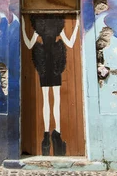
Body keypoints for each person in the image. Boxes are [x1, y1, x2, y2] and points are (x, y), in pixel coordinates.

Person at [22, 14, 79, 156]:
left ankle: (46, 135)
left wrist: (23, 25)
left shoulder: (38, 30)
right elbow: (71, 43)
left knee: (46, 101)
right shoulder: (58, 30)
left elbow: (29, 45)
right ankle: (57, 133)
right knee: (56, 100)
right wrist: (77, 23)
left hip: (43, 64)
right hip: (55, 63)